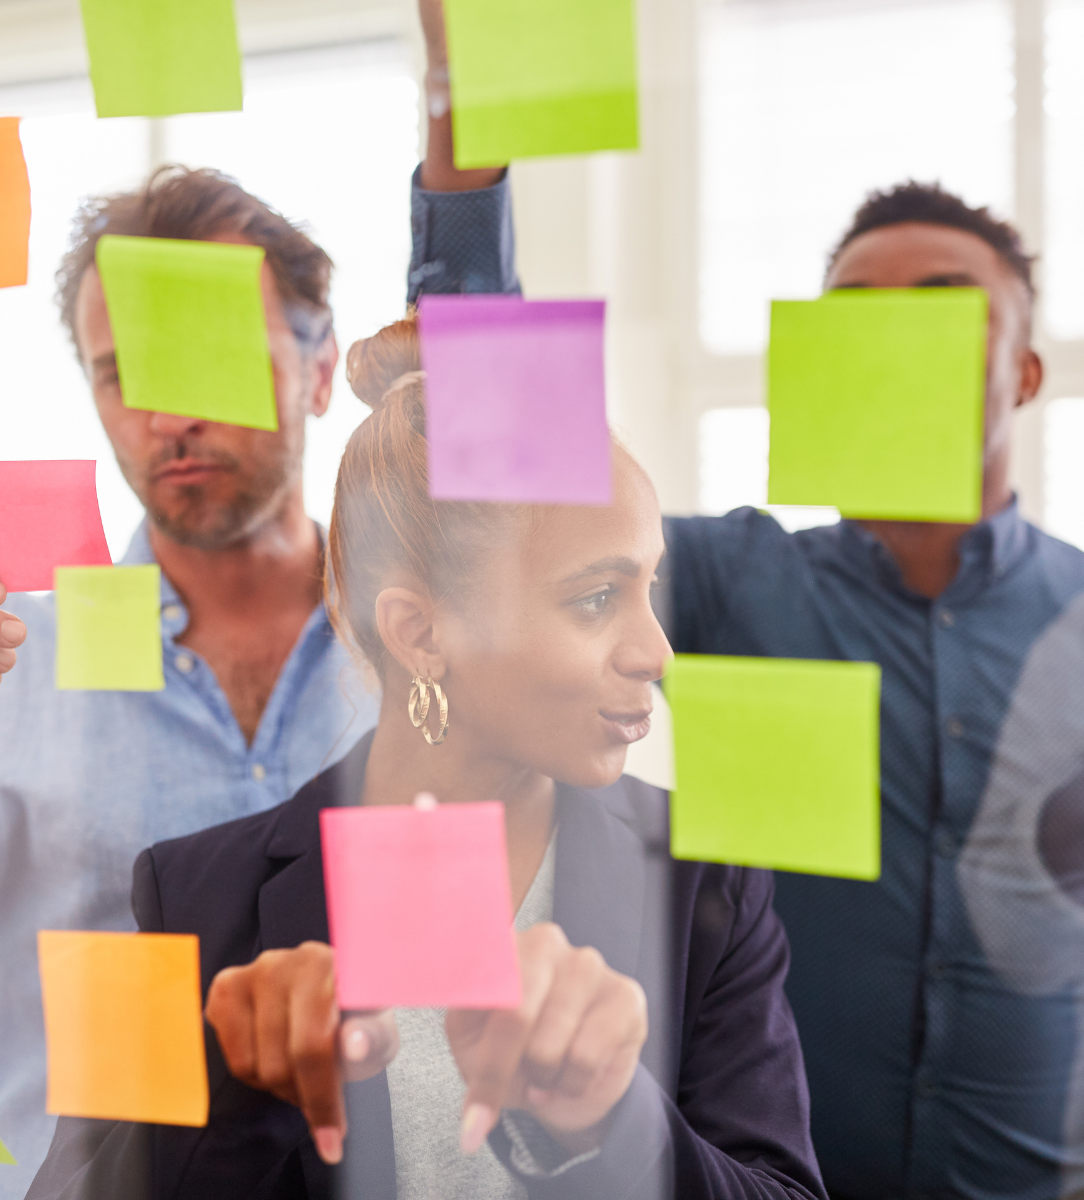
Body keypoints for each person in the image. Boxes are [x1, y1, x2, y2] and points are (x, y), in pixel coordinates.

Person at [401, 6, 1084, 1196]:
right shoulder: (726, 581)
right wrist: (465, 133)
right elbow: (508, 487)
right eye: (857, 314)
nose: (895, 339)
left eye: (943, 305)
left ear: (1024, 371)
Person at [28, 318, 827, 1200]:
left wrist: (614, 1123)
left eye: (648, 587)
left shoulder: (706, 879)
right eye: (597, 598)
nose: (657, 653)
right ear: (420, 632)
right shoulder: (187, 896)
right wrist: (239, 1091)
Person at [0, 168, 379, 1195]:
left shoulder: (431, 651)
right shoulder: (14, 664)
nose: (166, 414)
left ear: (316, 369)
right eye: (123, 372)